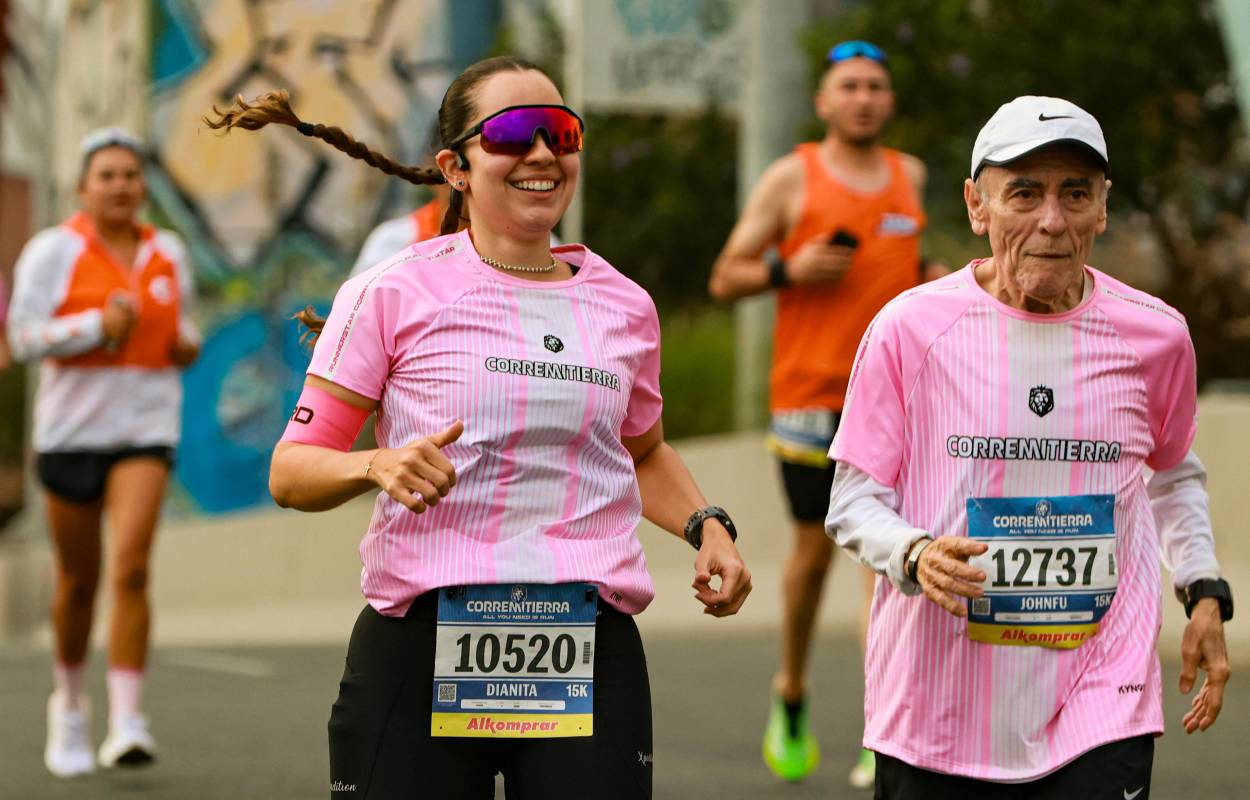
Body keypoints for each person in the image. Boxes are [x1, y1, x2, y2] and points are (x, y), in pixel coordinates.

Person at [204, 54, 752, 799]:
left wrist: (706, 525)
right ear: (455, 167)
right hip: (422, 641)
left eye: (559, 133)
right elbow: (292, 470)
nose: (540, 154)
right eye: (511, 134)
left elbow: (642, 450)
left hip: (585, 644)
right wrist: (376, 466)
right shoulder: (392, 292)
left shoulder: (625, 306)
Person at [826, 95, 1233, 799]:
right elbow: (855, 498)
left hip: (1100, 698)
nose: (1052, 219)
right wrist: (914, 554)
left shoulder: (1155, 336)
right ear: (976, 205)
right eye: (1024, 193)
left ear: (1102, 209)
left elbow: (1172, 474)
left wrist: (1203, 588)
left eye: (1075, 193)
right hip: (935, 709)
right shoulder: (910, 330)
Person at [708, 39, 935, 787]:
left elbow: (913, 269)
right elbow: (725, 277)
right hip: (810, 399)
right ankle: (793, 691)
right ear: (824, 102)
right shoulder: (791, 177)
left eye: (876, 85)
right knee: (810, 557)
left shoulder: (911, 177)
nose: (864, 98)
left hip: (898, 400)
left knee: (887, 563)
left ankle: (884, 723)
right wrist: (788, 268)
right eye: (850, 86)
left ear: (890, 100)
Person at [7, 127, 201, 777]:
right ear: (84, 187)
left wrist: (185, 345)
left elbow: (186, 324)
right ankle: (68, 703)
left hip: (146, 429)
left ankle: (127, 720)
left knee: (133, 569)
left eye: (130, 175)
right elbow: (22, 338)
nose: (121, 186)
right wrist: (96, 326)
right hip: (70, 434)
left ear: (144, 186)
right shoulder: (51, 252)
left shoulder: (167, 249)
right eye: (107, 176)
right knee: (78, 583)